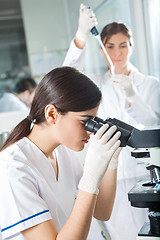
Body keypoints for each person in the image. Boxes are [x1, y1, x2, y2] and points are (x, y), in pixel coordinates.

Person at [63, 4, 160, 240]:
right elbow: (66, 78)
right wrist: (81, 35)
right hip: (110, 178)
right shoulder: (97, 85)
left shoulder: (150, 84)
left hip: (146, 176)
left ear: (132, 46)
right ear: (101, 49)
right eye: (110, 47)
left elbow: (153, 125)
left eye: (123, 45)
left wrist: (132, 97)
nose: (117, 53)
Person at [0, 66, 121, 240]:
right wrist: (90, 179)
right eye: (85, 122)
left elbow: (102, 212)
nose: (91, 131)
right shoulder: (13, 168)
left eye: (94, 121)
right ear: (52, 114)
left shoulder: (62, 153)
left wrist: (111, 161)